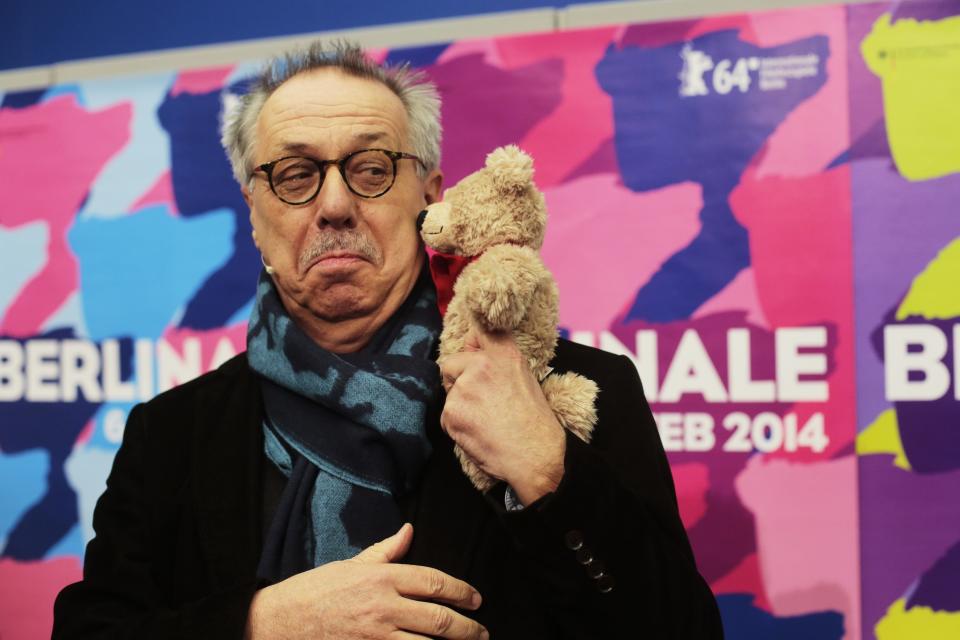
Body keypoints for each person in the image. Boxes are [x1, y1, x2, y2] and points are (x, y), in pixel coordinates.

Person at [53, 41, 723, 639]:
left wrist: (550, 471)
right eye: (294, 175)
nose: (336, 205)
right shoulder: (172, 433)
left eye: (371, 169)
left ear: (429, 198)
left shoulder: (575, 391)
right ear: (256, 218)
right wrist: (261, 624)